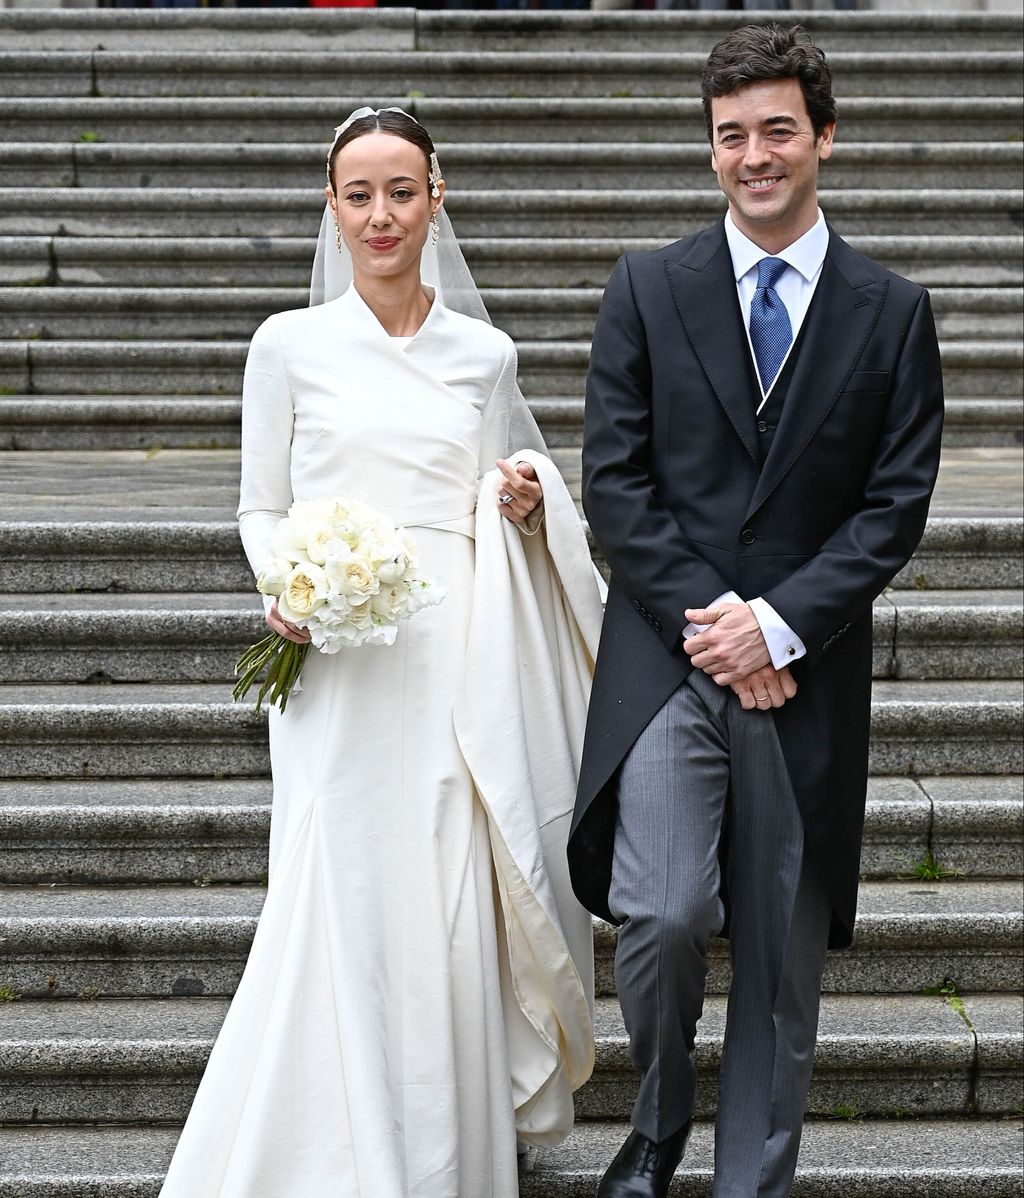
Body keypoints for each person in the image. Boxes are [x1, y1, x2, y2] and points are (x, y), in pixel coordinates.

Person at [159, 106, 601, 1198]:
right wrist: (293, 585)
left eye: (401, 190)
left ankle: (438, 1159)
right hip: (337, 666)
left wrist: (528, 498)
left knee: (443, 892)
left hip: (454, 659)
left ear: (436, 197)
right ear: (332, 206)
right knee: (337, 883)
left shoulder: (483, 353)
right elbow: (261, 506)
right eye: (358, 194)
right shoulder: (286, 346)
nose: (381, 214)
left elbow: (523, 485)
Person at [569, 22, 943, 1198]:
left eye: (777, 129)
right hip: (672, 660)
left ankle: (752, 1182)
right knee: (666, 911)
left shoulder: (892, 311)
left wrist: (777, 625)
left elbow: (892, 509)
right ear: (710, 150)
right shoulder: (645, 287)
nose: (753, 155)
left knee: (781, 957)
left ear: (823, 138)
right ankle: (659, 1120)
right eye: (730, 135)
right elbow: (614, 487)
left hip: (805, 670)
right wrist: (719, 623)